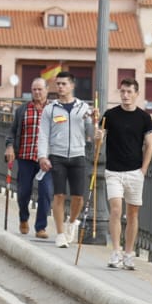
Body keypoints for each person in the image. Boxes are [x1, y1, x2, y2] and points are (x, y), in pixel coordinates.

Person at [38, 73, 98, 249]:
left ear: (72, 86)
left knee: (78, 197)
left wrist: (95, 123)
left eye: (64, 84)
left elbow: (93, 135)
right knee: (58, 195)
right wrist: (43, 156)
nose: (60, 87)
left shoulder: (83, 108)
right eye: (58, 84)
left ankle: (72, 222)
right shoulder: (50, 109)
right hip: (57, 156)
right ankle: (60, 233)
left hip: (78, 156)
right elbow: (43, 135)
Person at [101, 78, 152, 269]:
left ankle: (128, 253)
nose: (125, 95)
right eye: (122, 91)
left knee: (132, 214)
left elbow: (150, 145)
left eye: (129, 92)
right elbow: (97, 136)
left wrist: (143, 170)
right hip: (113, 171)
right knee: (116, 210)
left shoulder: (144, 118)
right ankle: (115, 252)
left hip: (135, 171)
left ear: (136, 94)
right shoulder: (110, 115)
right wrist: (97, 135)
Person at [4, 78, 56, 240]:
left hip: (46, 160)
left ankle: (40, 227)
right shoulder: (22, 110)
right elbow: (12, 132)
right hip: (26, 156)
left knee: (46, 192)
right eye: (34, 90)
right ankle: (23, 218)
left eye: (40, 89)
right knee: (23, 192)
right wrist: (10, 146)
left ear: (47, 90)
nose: (37, 93)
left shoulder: (55, 109)